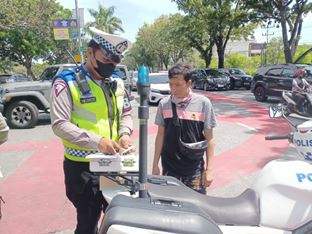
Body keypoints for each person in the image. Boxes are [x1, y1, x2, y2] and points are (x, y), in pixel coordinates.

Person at [50, 27, 133, 234]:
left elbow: (125, 115)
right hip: (83, 168)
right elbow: (59, 124)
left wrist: (124, 134)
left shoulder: (117, 83)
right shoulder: (67, 82)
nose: (110, 65)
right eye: (106, 59)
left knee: (119, 219)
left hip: (114, 163)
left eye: (115, 61)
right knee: (88, 222)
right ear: (90, 53)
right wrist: (97, 141)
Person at [152, 63, 216, 194]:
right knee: (171, 207)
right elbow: (160, 136)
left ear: (189, 83)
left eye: (178, 84)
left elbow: (210, 139)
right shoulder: (164, 104)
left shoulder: (203, 103)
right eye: (170, 84)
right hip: (170, 168)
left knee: (197, 207)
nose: (173, 88)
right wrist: (155, 165)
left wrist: (209, 170)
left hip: (194, 169)